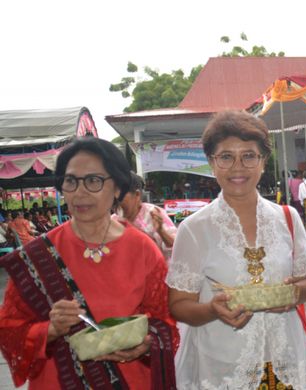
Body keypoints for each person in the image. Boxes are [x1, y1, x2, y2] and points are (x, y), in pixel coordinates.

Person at [0, 137, 178, 389]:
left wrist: (146, 342)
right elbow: (8, 329)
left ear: (117, 188)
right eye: (71, 181)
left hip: (131, 380)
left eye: (93, 181)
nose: (80, 192)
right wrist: (51, 329)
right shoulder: (36, 255)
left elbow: (165, 322)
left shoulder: (143, 249)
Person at [166, 110, 306, 389]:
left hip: (285, 364)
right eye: (226, 157)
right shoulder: (193, 229)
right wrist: (213, 310)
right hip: (223, 368)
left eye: (249, 156)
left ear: (263, 162)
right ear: (212, 164)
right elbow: (179, 305)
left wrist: (294, 293)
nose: (238, 167)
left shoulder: (287, 218)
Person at [117, 172, 177, 260]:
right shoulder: (113, 219)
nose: (116, 199)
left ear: (137, 195)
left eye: (121, 195)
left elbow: (177, 247)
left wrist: (161, 231)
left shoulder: (153, 214)